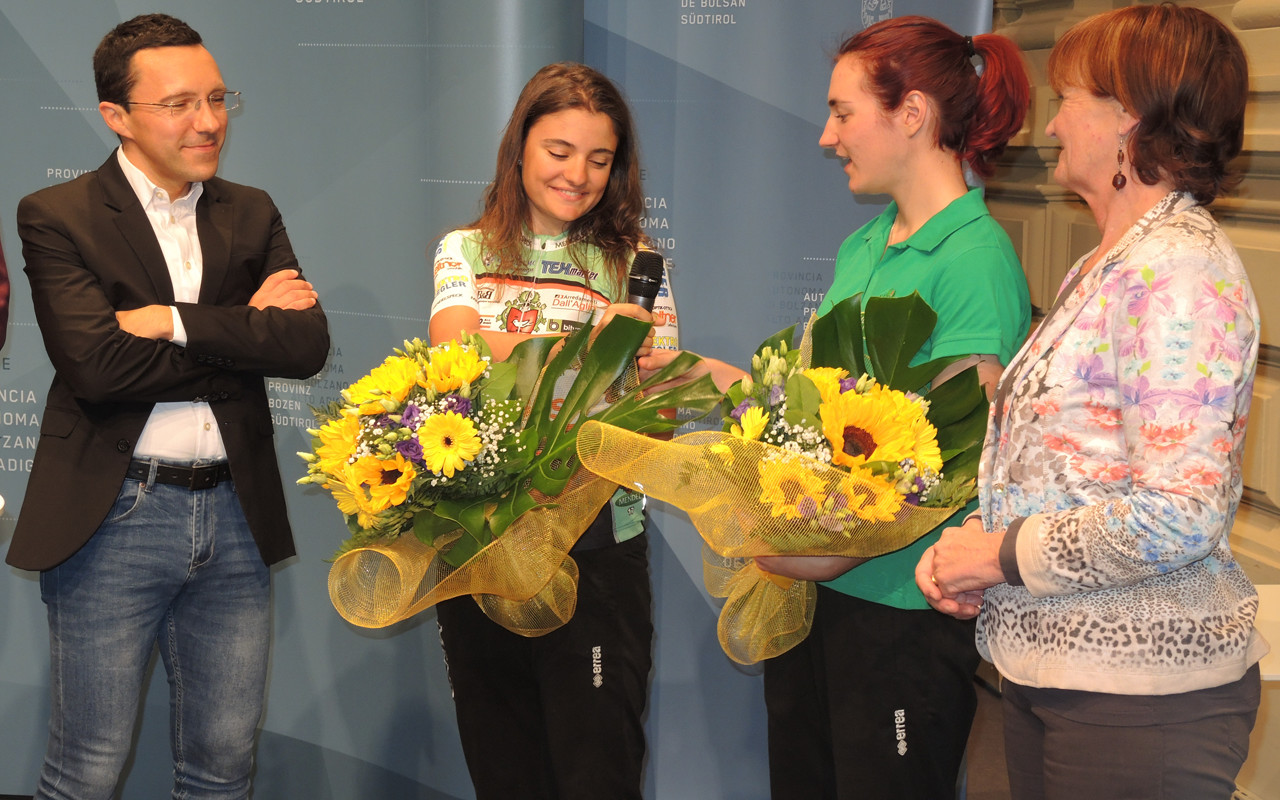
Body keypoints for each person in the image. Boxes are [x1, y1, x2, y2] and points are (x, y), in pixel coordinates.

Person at [640, 16, 1032, 798]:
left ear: (911, 114)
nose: (827, 136)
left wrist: (820, 554)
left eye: (843, 112)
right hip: (817, 600)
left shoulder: (975, 261)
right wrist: (716, 381)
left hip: (900, 614)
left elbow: (955, 464)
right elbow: (823, 418)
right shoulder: (866, 245)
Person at [917, 6, 1266, 799]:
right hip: (1064, 677)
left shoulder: (1177, 273)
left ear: (1127, 118)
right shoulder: (1112, 261)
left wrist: (1000, 556)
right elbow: (1074, 473)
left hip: (1140, 698)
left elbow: (1181, 511)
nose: (1051, 124)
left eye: (1068, 98)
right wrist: (986, 554)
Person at [8, 13, 329, 798]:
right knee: (86, 768)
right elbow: (98, 369)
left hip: (235, 514)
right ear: (117, 116)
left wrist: (170, 321)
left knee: (224, 764)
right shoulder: (58, 214)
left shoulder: (250, 210)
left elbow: (303, 346)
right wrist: (242, 328)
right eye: (180, 104)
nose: (209, 121)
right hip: (116, 515)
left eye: (217, 98)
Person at [427, 61, 676, 800]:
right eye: (559, 151)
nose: (578, 175)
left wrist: (647, 371)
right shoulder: (465, 250)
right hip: (481, 540)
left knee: (598, 771)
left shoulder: (636, 262)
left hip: (599, 547)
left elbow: (661, 408)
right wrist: (589, 345)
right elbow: (454, 351)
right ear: (520, 148)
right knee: (504, 770)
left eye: (599, 159)